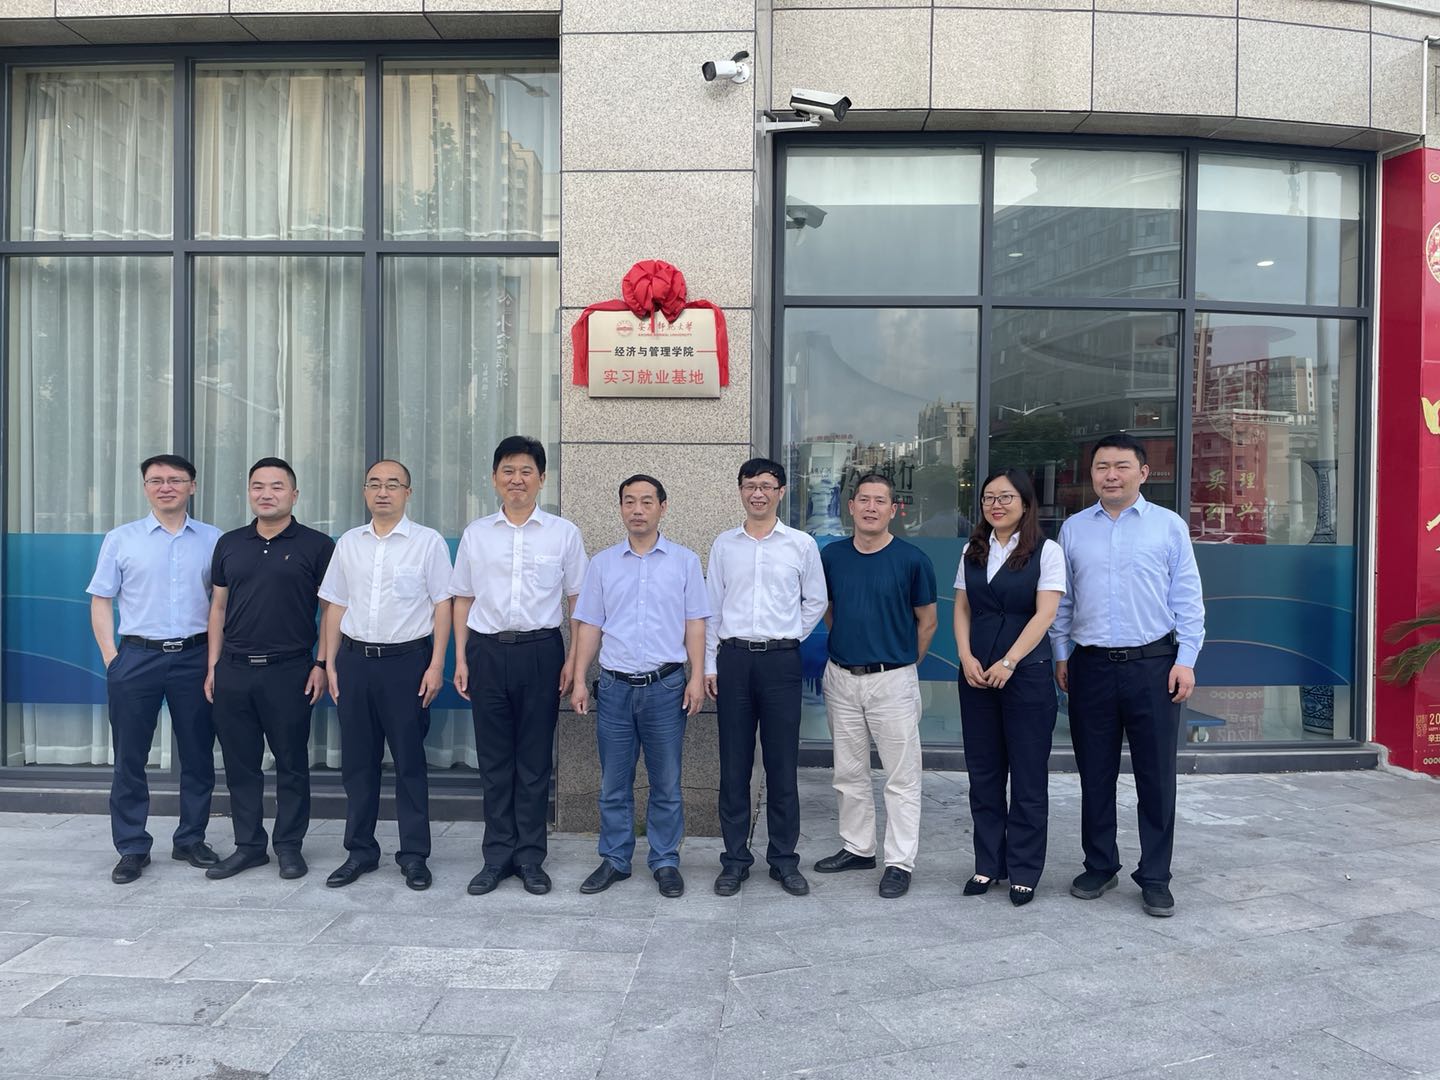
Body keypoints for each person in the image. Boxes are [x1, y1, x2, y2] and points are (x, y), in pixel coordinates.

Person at [1050, 433, 1205, 918]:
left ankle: (1155, 876)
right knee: (1094, 774)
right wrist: (1061, 654)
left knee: (1156, 777)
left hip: (1154, 666)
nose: (1110, 475)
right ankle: (1100, 864)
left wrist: (1186, 659)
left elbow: (1187, 598)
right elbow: (1064, 600)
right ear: (1092, 473)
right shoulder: (1074, 529)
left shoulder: (1169, 526)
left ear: (1143, 472)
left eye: (1121, 466)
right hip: (1090, 665)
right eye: (1102, 467)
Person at [451, 436, 587, 897]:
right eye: (508, 471)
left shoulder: (562, 533)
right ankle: (496, 857)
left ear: (542, 479)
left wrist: (573, 659)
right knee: (494, 762)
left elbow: (578, 601)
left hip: (541, 652)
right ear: (494, 479)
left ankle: (530, 857)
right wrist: (461, 658)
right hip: (486, 652)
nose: (517, 479)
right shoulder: (477, 533)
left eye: (526, 471)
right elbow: (463, 598)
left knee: (533, 761)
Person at [570, 474, 708, 898]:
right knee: (614, 783)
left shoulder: (685, 562)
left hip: (666, 688)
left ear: (663, 507)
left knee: (666, 783)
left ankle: (665, 860)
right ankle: (615, 859)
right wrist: (579, 678)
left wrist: (697, 677)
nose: (637, 510)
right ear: (620, 508)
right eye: (629, 501)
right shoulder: (603, 564)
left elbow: (695, 623)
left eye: (647, 501)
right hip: (614, 688)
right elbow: (590, 624)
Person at [87, 454, 222, 884]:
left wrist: (214, 662)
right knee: (130, 757)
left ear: (192, 487)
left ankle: (190, 839)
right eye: (156, 480)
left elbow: (222, 605)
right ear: (145, 487)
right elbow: (101, 599)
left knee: (198, 754)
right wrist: (112, 658)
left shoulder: (214, 540)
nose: (166, 487)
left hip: (194, 657)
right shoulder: (121, 539)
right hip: (137, 657)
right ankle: (131, 847)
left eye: (176, 480)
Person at [318, 460, 452, 892]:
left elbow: (443, 605)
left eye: (393, 485)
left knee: (409, 763)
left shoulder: (427, 543)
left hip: (407, 663)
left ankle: (414, 855)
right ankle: (360, 851)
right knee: (358, 764)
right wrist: (330, 663)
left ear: (407, 493)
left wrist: (437, 665)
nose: (382, 492)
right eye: (374, 484)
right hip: (354, 662)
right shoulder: (349, 543)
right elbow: (335, 605)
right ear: (364, 491)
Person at [204, 457, 334, 881]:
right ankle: (249, 846)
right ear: (249, 493)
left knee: (292, 763)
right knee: (240, 765)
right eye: (258, 486)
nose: (267, 494)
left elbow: (331, 610)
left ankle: (289, 846)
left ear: (294, 495)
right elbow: (218, 607)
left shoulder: (317, 545)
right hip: (234, 670)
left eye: (277, 486)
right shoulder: (229, 543)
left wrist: (321, 663)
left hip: (290, 670)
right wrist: (213, 667)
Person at [705, 458, 827, 897]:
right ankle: (735, 860)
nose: (758, 493)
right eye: (750, 485)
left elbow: (816, 600)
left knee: (781, 765)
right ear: (740, 490)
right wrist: (709, 665)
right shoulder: (724, 545)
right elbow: (712, 608)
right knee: (734, 766)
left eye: (767, 486)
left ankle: (783, 860)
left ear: (781, 492)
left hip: (781, 664)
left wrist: (789, 634)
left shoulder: (801, 545)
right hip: (734, 661)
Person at [814, 473, 937, 899]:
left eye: (879, 501)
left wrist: (901, 664)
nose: (870, 507)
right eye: (863, 500)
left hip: (893, 680)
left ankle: (899, 862)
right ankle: (858, 847)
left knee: (901, 776)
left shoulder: (912, 559)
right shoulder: (832, 556)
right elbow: (830, 610)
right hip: (841, 677)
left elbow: (927, 622)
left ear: (893, 509)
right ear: (850, 507)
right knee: (848, 771)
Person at [953, 468, 1065, 907]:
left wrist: (1009, 661)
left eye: (1005, 497)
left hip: (1027, 675)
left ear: (1025, 503)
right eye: (988, 498)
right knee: (983, 774)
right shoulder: (972, 549)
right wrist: (965, 656)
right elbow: (963, 608)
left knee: (1028, 776)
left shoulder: (1046, 551)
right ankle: (987, 864)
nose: (995, 505)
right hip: (976, 674)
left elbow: (1045, 614)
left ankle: (1024, 870)